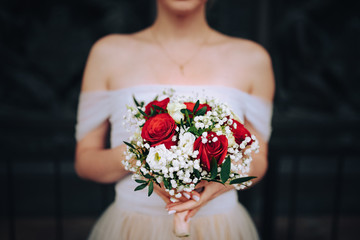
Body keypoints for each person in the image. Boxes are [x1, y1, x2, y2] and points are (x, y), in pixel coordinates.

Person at [75, 0, 274, 239]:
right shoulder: (107, 53)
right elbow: (85, 160)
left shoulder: (252, 58)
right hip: (132, 228)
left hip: (221, 228)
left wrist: (223, 179)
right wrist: (140, 159)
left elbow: (258, 158)